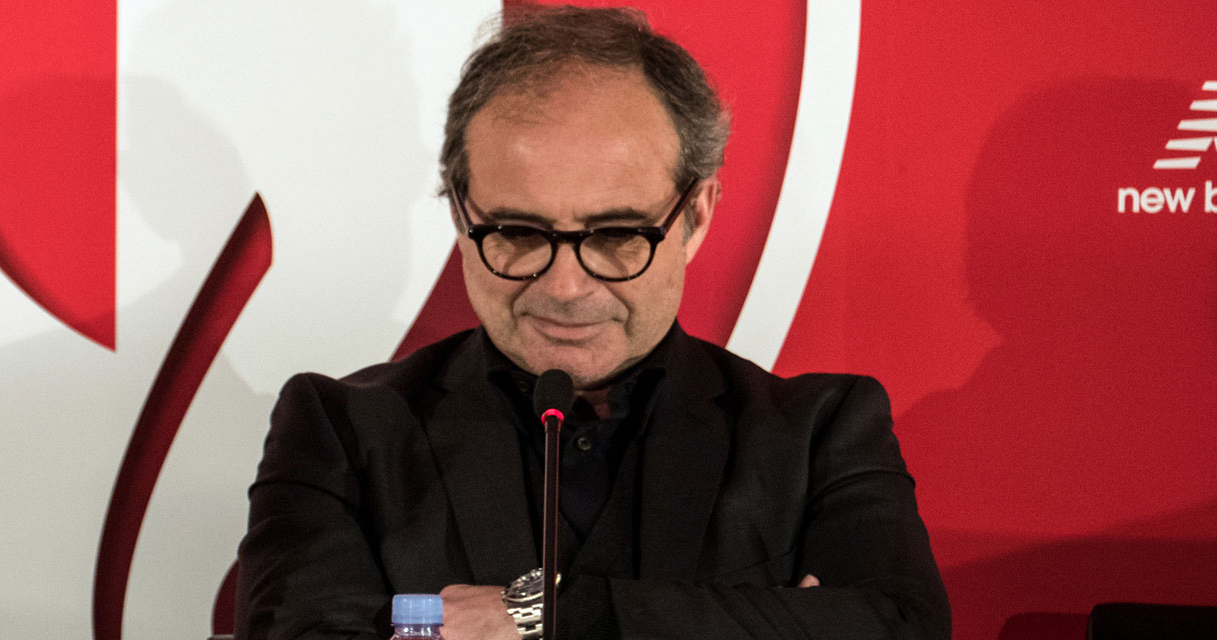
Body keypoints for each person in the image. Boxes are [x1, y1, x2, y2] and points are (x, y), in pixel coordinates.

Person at [235, 5, 950, 639]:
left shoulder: (819, 433)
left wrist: (542, 615)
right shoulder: (339, 431)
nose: (566, 286)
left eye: (615, 236)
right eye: (517, 232)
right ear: (459, 213)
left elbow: (898, 626)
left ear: (697, 215)